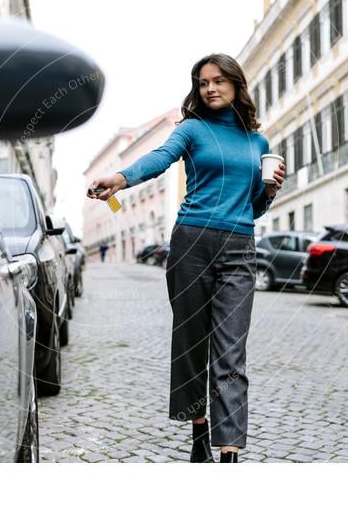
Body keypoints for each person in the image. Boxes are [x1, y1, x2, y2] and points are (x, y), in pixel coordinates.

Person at [87, 53, 286, 463]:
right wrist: (121, 180)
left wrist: (270, 191)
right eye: (202, 82)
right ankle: (199, 431)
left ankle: (229, 455)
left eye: (218, 81)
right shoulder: (193, 130)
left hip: (239, 246)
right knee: (192, 343)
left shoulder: (258, 142)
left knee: (231, 351)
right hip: (191, 244)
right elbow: (160, 159)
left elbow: (253, 206)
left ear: (236, 83)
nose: (210, 88)